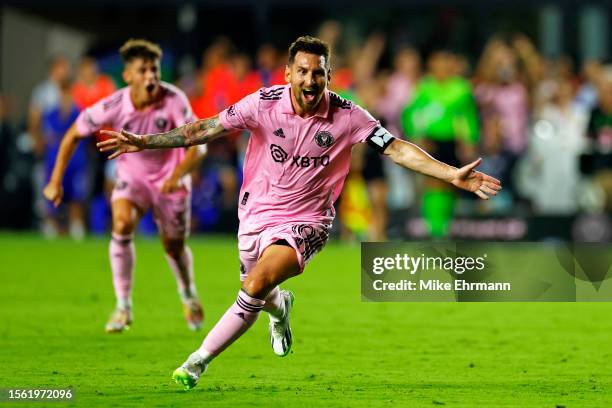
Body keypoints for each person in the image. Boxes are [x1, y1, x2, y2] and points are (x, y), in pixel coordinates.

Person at [97, 36, 501, 389]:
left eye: (319, 74)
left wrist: (451, 175)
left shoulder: (348, 115)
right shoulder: (262, 104)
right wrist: (145, 142)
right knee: (260, 289)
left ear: (329, 75)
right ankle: (282, 308)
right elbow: (203, 129)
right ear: (288, 73)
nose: (311, 81)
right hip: (255, 215)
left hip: (308, 222)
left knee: (254, 284)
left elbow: (395, 147)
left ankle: (196, 362)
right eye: (303, 72)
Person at [43, 39, 207, 333]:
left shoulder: (174, 99)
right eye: (143, 70)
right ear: (128, 76)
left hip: (171, 180)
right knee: (120, 224)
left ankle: (188, 293)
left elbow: (199, 145)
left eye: (154, 70)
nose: (151, 77)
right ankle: (123, 307)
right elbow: (72, 135)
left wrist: (178, 173)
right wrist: (55, 181)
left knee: (173, 247)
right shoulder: (114, 104)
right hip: (132, 178)